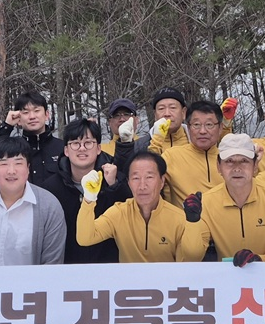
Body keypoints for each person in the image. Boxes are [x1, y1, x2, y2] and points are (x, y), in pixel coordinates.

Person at [76, 150, 210, 263]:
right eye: (135, 178)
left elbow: (192, 259)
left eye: (149, 177)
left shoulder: (179, 219)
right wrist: (89, 198)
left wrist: (193, 222)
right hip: (129, 284)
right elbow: (85, 238)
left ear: (162, 181)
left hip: (167, 284)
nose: (142, 186)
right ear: (128, 183)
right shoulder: (119, 212)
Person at [197, 133, 265, 264]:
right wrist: (192, 222)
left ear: (255, 166)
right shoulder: (207, 202)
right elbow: (192, 255)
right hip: (225, 275)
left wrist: (259, 260)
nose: (237, 169)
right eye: (229, 161)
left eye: (244, 161)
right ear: (218, 166)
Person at [45, 118, 124, 264]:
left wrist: (113, 186)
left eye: (88, 143)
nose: (82, 148)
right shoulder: (51, 188)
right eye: (75, 143)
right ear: (66, 150)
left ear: (99, 148)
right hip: (66, 268)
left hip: (109, 266)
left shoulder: (114, 180)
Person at [150, 99, 226, 208]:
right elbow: (148, 177)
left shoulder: (229, 159)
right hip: (183, 218)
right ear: (189, 127)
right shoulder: (172, 156)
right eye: (196, 125)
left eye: (209, 125)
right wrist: (156, 141)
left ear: (220, 128)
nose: (202, 131)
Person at [0, 90, 65, 189]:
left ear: (47, 115)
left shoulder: (62, 148)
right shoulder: (15, 149)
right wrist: (7, 125)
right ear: (18, 119)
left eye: (36, 111)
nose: (32, 117)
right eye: (26, 112)